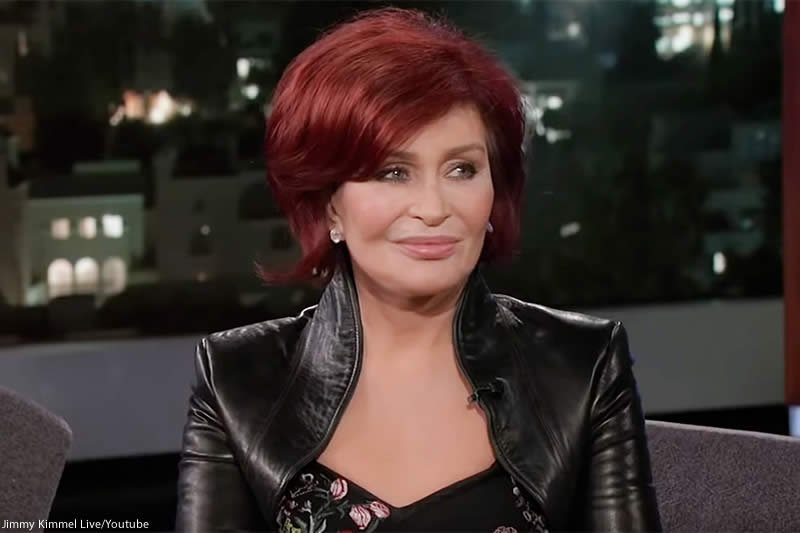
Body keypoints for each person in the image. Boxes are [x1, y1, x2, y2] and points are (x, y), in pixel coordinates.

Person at [175, 7, 662, 533]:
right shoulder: (238, 380)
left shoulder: (583, 368)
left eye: (462, 169)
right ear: (330, 205)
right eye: (394, 172)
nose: (433, 208)